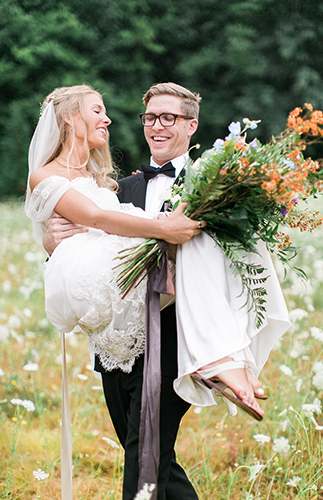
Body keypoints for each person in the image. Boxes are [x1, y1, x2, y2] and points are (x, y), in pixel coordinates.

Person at [34, 83, 290, 500]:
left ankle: (222, 360)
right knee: (149, 455)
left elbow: (237, 258)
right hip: (117, 338)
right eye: (150, 117)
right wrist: (52, 245)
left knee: (144, 454)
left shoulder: (217, 185)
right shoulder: (119, 187)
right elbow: (89, 246)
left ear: (191, 125)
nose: (156, 125)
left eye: (168, 117)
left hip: (175, 335)